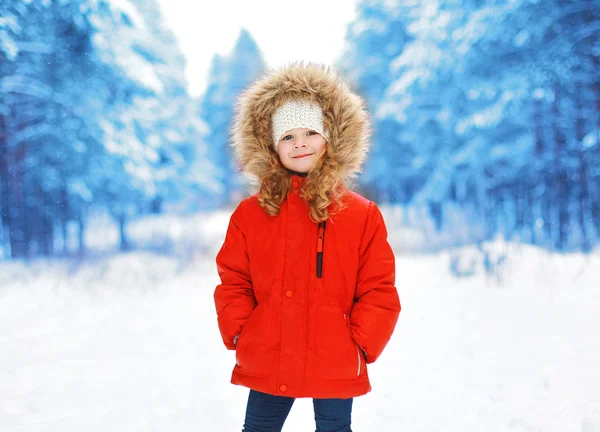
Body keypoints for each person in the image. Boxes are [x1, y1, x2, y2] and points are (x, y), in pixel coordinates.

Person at [214, 62, 401, 432]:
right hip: (270, 351)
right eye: (287, 136)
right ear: (270, 146)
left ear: (331, 138)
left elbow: (379, 287)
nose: (300, 143)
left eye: (311, 132)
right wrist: (242, 330)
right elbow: (233, 278)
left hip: (335, 352)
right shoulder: (251, 214)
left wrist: (360, 343)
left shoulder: (361, 215)